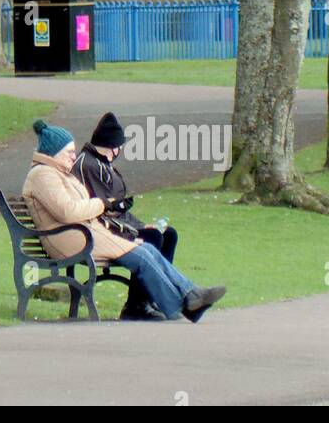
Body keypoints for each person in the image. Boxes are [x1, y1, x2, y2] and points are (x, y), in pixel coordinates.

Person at [22, 119, 225, 323]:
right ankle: (182, 305)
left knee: (148, 250)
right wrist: (101, 203)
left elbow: (78, 210)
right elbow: (67, 211)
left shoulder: (58, 174)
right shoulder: (43, 175)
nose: (74, 156)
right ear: (54, 153)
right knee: (142, 256)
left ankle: (191, 294)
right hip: (68, 239)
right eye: (69, 152)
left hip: (84, 233)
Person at [73, 112, 178, 321]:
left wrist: (138, 223)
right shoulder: (90, 165)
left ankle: (150, 297)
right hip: (100, 230)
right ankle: (136, 305)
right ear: (114, 147)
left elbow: (116, 206)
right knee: (153, 237)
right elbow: (103, 209)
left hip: (114, 223)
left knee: (168, 234)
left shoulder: (101, 163)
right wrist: (134, 228)